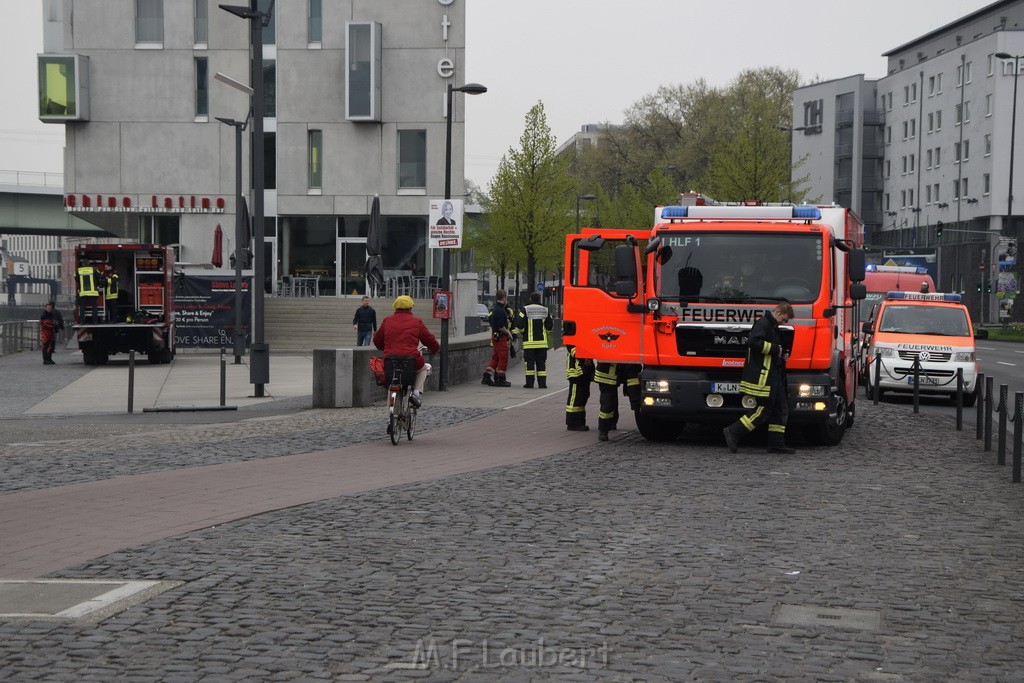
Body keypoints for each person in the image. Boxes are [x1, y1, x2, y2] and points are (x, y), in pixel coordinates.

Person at [722, 301, 796, 455]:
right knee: (764, 410)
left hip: (773, 373)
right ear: (779, 312)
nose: (784, 323)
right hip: (764, 375)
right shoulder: (763, 324)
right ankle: (733, 431)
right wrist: (775, 349)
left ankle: (776, 444)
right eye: (784, 319)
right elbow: (753, 342)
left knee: (780, 408)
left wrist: (782, 354)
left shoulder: (772, 326)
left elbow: (774, 346)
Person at [372, 295, 440, 408]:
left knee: (392, 378)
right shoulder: (417, 321)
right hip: (410, 358)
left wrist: (386, 348)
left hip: (390, 358)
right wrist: (435, 348)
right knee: (424, 368)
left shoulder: (387, 320)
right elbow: (429, 339)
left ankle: (391, 417)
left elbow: (377, 341)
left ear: (395, 307)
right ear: (410, 308)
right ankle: (416, 393)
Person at [514, 291, 553, 388]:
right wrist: (546, 333)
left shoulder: (525, 310)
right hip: (542, 344)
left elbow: (519, 323)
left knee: (529, 365)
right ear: (539, 299)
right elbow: (549, 326)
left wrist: (524, 332)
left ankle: (529, 384)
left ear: (531, 299)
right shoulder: (545, 310)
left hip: (529, 343)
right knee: (541, 364)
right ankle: (542, 384)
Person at [594, 362, 641, 442]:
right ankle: (603, 430)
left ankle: (612, 423)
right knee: (608, 403)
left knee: (635, 400)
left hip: (627, 370)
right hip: (607, 374)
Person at [482, 289, 513, 387]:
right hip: (500, 337)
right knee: (503, 357)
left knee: (496, 358)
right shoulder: (500, 310)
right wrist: (509, 334)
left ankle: (487, 376)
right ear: (504, 298)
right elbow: (501, 326)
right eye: (506, 298)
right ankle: (500, 378)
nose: (507, 300)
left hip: (495, 337)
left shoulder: (495, 309)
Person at [565, 344, 594, 431]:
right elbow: (571, 347)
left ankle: (579, 422)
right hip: (576, 371)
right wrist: (582, 359)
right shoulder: (572, 331)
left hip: (584, 370)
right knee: (575, 398)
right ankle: (572, 423)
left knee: (582, 396)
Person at [39, 300, 64, 365]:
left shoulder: (50, 314)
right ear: (45, 308)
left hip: (50, 332)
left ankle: (49, 358)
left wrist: (54, 325)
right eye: (48, 307)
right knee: (46, 346)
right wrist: (54, 326)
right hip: (46, 333)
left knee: (51, 346)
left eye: (50, 307)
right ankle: (46, 359)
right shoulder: (44, 315)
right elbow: (45, 324)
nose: (49, 309)